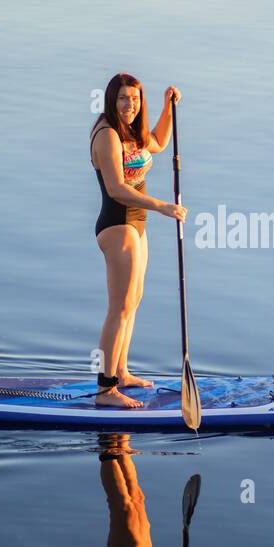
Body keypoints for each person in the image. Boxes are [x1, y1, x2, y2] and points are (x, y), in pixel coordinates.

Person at [90, 74, 186, 409]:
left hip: (137, 223)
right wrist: (162, 206)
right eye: (122, 99)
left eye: (134, 99)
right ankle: (106, 390)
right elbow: (116, 188)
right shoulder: (107, 135)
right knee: (118, 307)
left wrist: (167, 107)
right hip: (117, 224)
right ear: (110, 101)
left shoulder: (132, 130)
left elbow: (158, 141)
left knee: (133, 301)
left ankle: (122, 371)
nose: (130, 105)